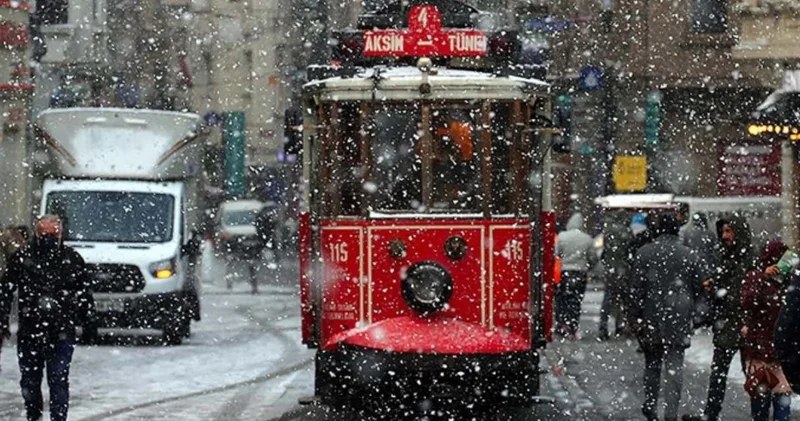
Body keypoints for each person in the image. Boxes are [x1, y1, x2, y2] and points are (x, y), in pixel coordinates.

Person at [0, 215, 95, 421]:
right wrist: (2, 321)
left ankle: (58, 418)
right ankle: (34, 417)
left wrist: (87, 322)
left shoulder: (72, 259)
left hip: (60, 331)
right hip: (31, 331)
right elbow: (5, 291)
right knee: (31, 382)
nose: (49, 238)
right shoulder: (23, 259)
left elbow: (84, 293)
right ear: (36, 234)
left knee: (58, 379)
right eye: (45, 234)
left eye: (53, 234)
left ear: (60, 234)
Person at [631, 213, 705, 421]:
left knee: (652, 364)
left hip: (651, 316)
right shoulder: (689, 255)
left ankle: (651, 405)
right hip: (679, 317)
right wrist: (696, 314)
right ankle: (671, 413)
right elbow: (699, 288)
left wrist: (635, 317)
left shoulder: (643, 253)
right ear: (677, 230)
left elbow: (636, 289)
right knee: (674, 366)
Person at [684, 215, 754, 421]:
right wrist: (712, 287)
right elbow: (724, 289)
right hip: (727, 324)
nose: (724, 236)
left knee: (752, 373)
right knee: (718, 373)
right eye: (723, 231)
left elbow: (737, 293)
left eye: (729, 231)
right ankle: (711, 413)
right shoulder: (723, 255)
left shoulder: (751, 256)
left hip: (746, 324)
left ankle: (758, 413)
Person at [741, 240, 792, 421]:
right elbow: (747, 302)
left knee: (782, 407)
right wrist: (764, 277)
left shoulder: (791, 281)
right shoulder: (755, 277)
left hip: (783, 351)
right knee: (760, 406)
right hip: (760, 352)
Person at [554, 212, 597, 338]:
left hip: (565, 272)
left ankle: (562, 324)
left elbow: (556, 254)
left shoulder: (562, 236)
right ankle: (573, 326)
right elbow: (593, 258)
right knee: (576, 300)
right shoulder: (587, 238)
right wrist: (588, 266)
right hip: (580, 273)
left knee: (563, 299)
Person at [598, 212, 634, 340]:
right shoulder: (626, 232)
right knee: (623, 299)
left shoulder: (608, 231)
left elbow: (604, 252)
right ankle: (621, 325)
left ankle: (603, 328)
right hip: (622, 269)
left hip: (610, 269)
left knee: (608, 299)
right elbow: (630, 251)